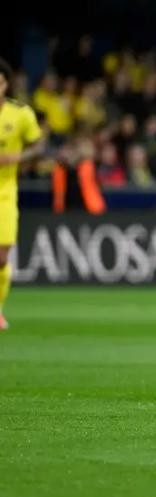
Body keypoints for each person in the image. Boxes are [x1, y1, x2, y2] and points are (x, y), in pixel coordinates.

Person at [0, 58, 45, 330]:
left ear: (6, 84)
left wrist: (17, 156)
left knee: (2, 257)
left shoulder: (20, 114)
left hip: (5, 192)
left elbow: (39, 146)